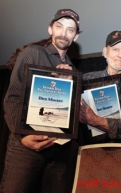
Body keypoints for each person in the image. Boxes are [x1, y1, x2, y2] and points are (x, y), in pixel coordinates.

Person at [1, 9, 81, 193]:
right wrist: (23, 136)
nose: (63, 33)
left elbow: (73, 114)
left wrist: (71, 86)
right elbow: (12, 97)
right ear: (50, 29)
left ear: (75, 36)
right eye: (59, 27)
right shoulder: (34, 53)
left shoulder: (73, 69)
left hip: (58, 150)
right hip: (26, 146)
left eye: (70, 30)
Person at [79, 30, 121, 144]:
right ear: (105, 52)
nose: (120, 55)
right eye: (115, 49)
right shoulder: (86, 79)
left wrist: (95, 120)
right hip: (86, 151)